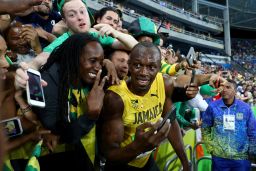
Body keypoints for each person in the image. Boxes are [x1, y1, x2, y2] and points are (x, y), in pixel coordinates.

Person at [99, 42, 221, 171]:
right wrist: (137, 147)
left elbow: (170, 121)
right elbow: (110, 155)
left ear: (159, 68)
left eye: (151, 67)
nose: (143, 72)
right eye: (137, 65)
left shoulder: (163, 83)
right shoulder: (115, 98)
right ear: (129, 65)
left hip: (145, 160)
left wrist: (185, 162)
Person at [15, 0, 137, 88]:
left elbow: (135, 47)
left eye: (82, 12)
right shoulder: (63, 40)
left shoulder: (96, 34)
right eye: (72, 14)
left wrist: (116, 33)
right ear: (65, 22)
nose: (79, 17)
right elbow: (40, 59)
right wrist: (27, 71)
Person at [32, 33, 109, 170]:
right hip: (50, 159)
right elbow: (60, 133)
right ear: (73, 58)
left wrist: (109, 65)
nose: (98, 67)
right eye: (92, 61)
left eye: (101, 62)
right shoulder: (48, 80)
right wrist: (90, 116)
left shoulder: (92, 78)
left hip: (82, 157)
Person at [202, 80, 256, 171]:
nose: (224, 90)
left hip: (241, 158)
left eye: (228, 87)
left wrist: (252, 152)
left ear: (235, 91)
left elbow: (252, 132)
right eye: (223, 87)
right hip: (219, 158)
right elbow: (205, 128)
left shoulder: (245, 108)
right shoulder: (213, 107)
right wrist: (211, 148)